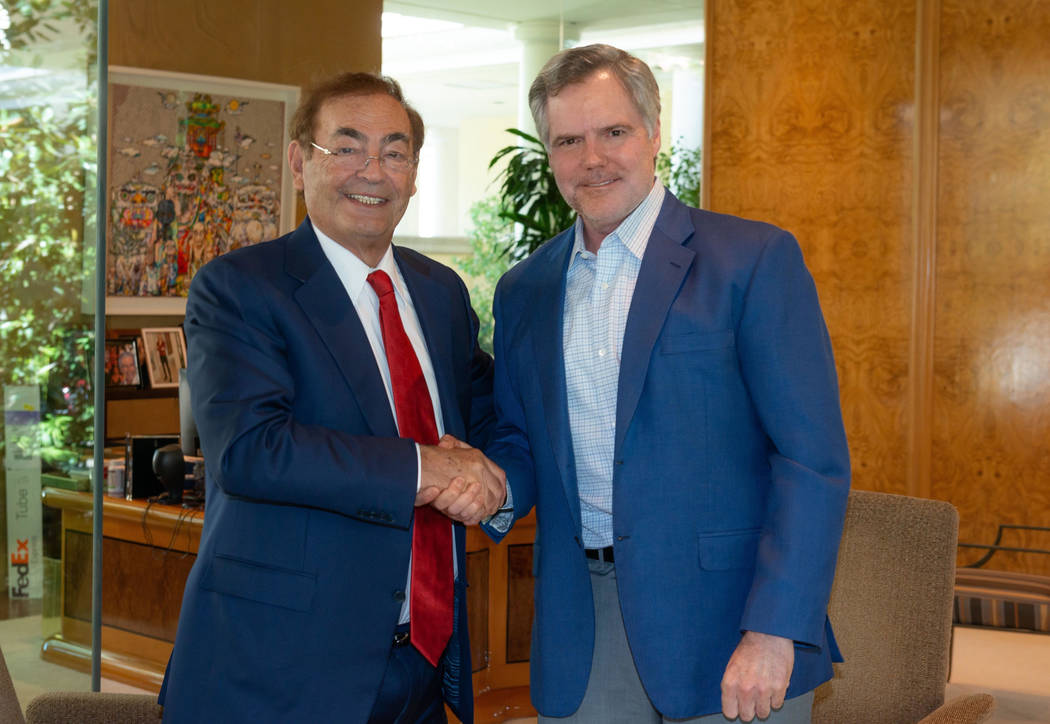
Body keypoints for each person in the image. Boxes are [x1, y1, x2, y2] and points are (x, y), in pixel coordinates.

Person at [478, 44, 851, 723]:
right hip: (583, 622)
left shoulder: (753, 259)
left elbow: (811, 461)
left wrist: (774, 629)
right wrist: (489, 483)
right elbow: (520, 438)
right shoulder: (523, 290)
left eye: (613, 132)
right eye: (568, 140)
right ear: (549, 154)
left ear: (653, 133)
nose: (592, 158)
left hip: (730, 619)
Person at [159, 72, 505, 724]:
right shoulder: (241, 288)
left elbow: (487, 416)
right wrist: (427, 468)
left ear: (413, 173)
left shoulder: (441, 295)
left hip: (423, 667)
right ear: (299, 162)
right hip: (280, 674)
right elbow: (254, 451)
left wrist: (499, 475)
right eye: (346, 148)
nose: (371, 171)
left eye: (394, 152)